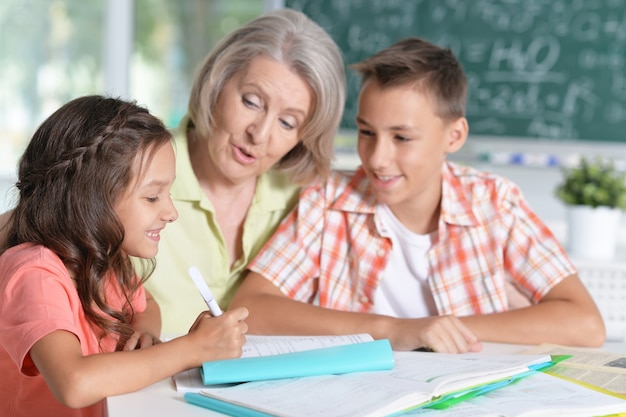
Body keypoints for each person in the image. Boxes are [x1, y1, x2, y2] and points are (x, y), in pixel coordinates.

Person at [230, 37, 606, 353]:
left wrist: (445, 329)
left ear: (453, 137)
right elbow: (251, 308)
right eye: (366, 132)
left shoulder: (495, 202)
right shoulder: (326, 200)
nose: (377, 159)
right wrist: (394, 330)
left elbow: (585, 324)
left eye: (402, 138)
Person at [0, 95, 248, 417]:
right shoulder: (34, 274)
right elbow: (73, 383)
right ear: (90, 199)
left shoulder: (105, 259)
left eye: (168, 193)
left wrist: (144, 332)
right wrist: (191, 349)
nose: (171, 212)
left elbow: (148, 306)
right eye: (152, 197)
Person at [141, 8, 345, 335]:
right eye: (251, 101)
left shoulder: (308, 201)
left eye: (287, 122)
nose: (260, 134)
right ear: (217, 83)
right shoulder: (134, 173)